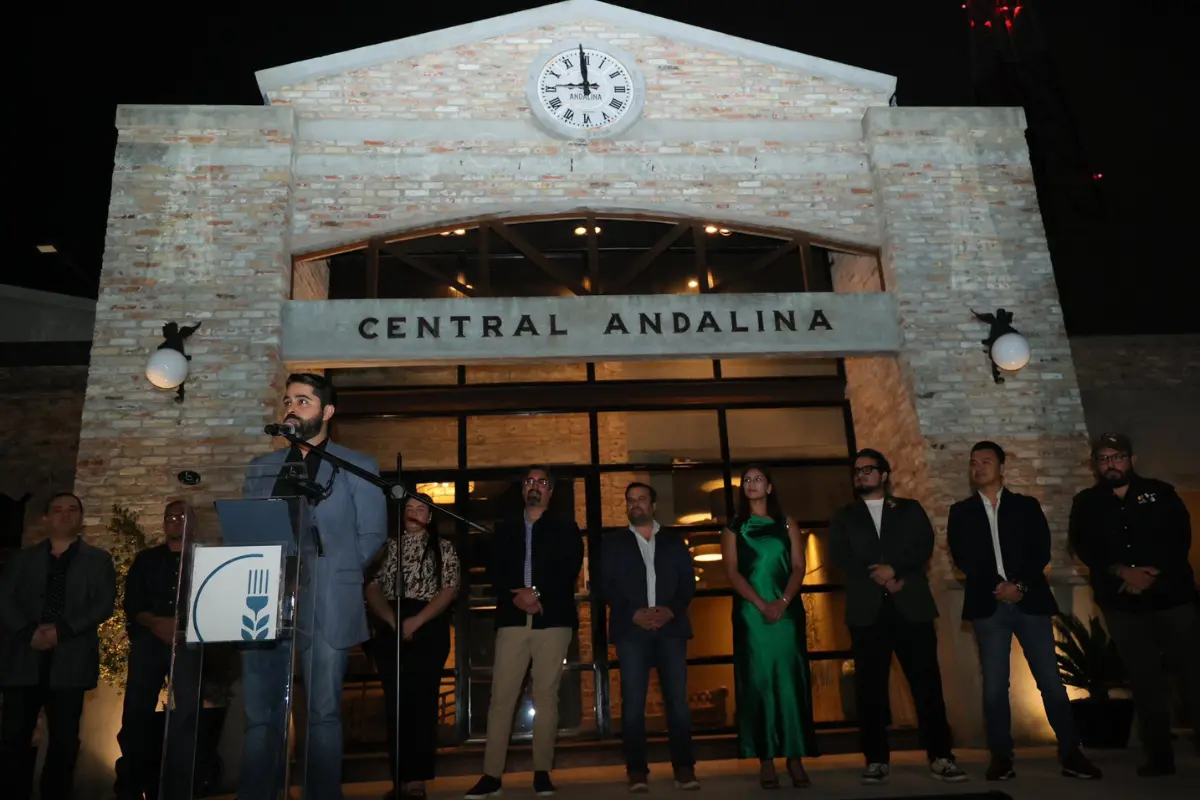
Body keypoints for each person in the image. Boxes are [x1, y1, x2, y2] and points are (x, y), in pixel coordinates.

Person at [238, 373, 388, 799]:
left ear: (327, 412)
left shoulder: (357, 465)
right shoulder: (260, 469)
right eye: (287, 400)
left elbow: (372, 534)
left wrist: (332, 571)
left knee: (322, 712)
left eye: (303, 401)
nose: (291, 407)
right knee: (261, 713)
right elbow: (247, 533)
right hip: (263, 599)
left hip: (328, 597)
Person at [947, 441, 1101, 781]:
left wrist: (1019, 586)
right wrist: (999, 587)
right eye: (974, 462)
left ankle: (1071, 753)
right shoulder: (961, 511)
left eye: (986, 461)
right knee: (994, 686)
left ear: (1002, 468)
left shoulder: (1025, 506)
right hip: (989, 607)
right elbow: (963, 557)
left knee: (1049, 680)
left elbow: (1040, 550)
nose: (979, 467)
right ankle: (1001, 756)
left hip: (1030, 603)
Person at [830, 449, 967, 785]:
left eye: (868, 469)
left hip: (911, 607)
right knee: (870, 690)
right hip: (867, 612)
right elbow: (840, 554)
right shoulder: (845, 515)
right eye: (857, 471)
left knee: (926, 684)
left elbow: (923, 545)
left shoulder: (909, 509)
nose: (860, 475)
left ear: (884, 475)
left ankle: (941, 756)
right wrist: (876, 572)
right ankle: (876, 759)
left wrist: (897, 569)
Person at [1068, 432, 1200, 778]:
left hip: (1173, 599)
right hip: (1123, 605)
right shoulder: (1086, 502)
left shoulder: (1162, 493)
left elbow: (1179, 538)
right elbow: (1084, 547)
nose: (1111, 464)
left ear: (1132, 460)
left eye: (1118, 457)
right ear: (1095, 465)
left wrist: (1149, 574)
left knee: (1192, 675)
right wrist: (1123, 571)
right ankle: (1159, 756)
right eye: (1103, 459)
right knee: (1144, 682)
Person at [465, 467, 584, 800]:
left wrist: (539, 594)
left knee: (547, 698)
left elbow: (569, 567)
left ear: (550, 491)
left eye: (541, 482)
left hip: (553, 620)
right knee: (501, 699)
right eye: (529, 482)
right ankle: (491, 776)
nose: (534, 486)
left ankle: (542, 773)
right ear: (522, 490)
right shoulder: (504, 529)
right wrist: (521, 596)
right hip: (512, 620)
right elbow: (495, 569)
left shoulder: (566, 528)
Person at [0, 492, 117, 800]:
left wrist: (61, 631)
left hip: (70, 659)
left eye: (72, 510)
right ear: (45, 517)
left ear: (80, 518)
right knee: (14, 737)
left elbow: (103, 604)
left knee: (64, 741)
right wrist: (29, 631)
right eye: (57, 510)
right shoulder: (22, 559)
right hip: (24, 658)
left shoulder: (98, 560)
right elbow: (6, 600)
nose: (64, 515)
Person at [721, 465, 817, 789]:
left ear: (770, 487)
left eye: (757, 479)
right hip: (752, 615)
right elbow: (733, 573)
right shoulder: (734, 528)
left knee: (791, 681)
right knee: (758, 682)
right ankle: (766, 759)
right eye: (746, 480)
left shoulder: (788, 523)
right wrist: (763, 604)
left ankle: (795, 757)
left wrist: (783, 601)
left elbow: (799, 566)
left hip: (787, 614)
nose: (751, 484)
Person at [601, 482, 699, 792]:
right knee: (632, 704)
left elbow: (687, 582)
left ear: (653, 505)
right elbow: (605, 585)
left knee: (678, 703)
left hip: (671, 630)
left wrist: (672, 610)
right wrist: (633, 613)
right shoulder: (613, 543)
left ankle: (684, 768)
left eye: (642, 499)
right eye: (631, 501)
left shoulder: (673, 541)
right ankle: (637, 770)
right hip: (632, 631)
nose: (636, 505)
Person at [365, 493, 460, 800]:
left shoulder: (443, 549)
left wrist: (416, 622)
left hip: (428, 625)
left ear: (430, 517)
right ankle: (400, 780)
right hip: (392, 623)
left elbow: (449, 590)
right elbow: (373, 586)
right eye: (409, 508)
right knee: (396, 706)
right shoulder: (388, 548)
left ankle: (418, 780)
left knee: (422, 705)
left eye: (421, 509)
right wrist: (394, 621)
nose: (414, 513)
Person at [114, 499, 210, 800]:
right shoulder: (146, 560)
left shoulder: (205, 559)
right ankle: (131, 784)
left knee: (187, 714)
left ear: (192, 522)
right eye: (170, 517)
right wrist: (157, 623)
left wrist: (179, 627)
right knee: (136, 714)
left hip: (190, 644)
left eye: (181, 516)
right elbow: (132, 603)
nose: (175, 521)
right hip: (149, 644)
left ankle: (180, 786)